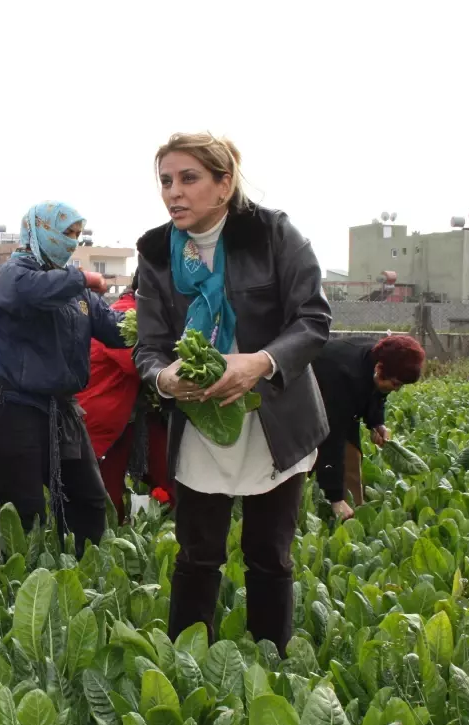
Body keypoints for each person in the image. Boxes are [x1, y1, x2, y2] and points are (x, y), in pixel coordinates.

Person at [133, 133, 331, 657]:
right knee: (197, 554)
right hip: (202, 421)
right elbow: (148, 348)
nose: (174, 192)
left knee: (269, 552)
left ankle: (274, 660)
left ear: (224, 185)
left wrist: (259, 363)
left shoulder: (272, 234)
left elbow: (314, 320)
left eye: (189, 178)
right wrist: (165, 379)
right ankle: (187, 665)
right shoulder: (156, 253)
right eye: (166, 181)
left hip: (273, 415)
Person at [0, 202, 127, 557]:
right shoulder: (14, 274)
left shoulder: (72, 288)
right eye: (65, 234)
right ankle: (16, 587)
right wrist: (82, 279)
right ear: (38, 231)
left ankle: (85, 575)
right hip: (15, 408)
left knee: (89, 501)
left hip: (63, 409)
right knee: (24, 511)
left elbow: (112, 328)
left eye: (77, 236)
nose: (72, 243)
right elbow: (34, 291)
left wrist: (153, 325)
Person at [75, 272, 174, 520]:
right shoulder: (125, 316)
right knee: (104, 494)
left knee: (117, 487)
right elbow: (141, 365)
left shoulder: (139, 315)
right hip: (97, 419)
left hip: (120, 419)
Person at [312, 334, 426, 520]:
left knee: (352, 458)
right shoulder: (343, 375)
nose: (396, 389)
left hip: (340, 401)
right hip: (304, 401)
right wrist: (335, 498)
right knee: (313, 461)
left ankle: (352, 519)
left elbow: (377, 393)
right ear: (379, 369)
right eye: (395, 384)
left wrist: (376, 422)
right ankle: (327, 507)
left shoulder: (382, 357)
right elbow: (331, 439)